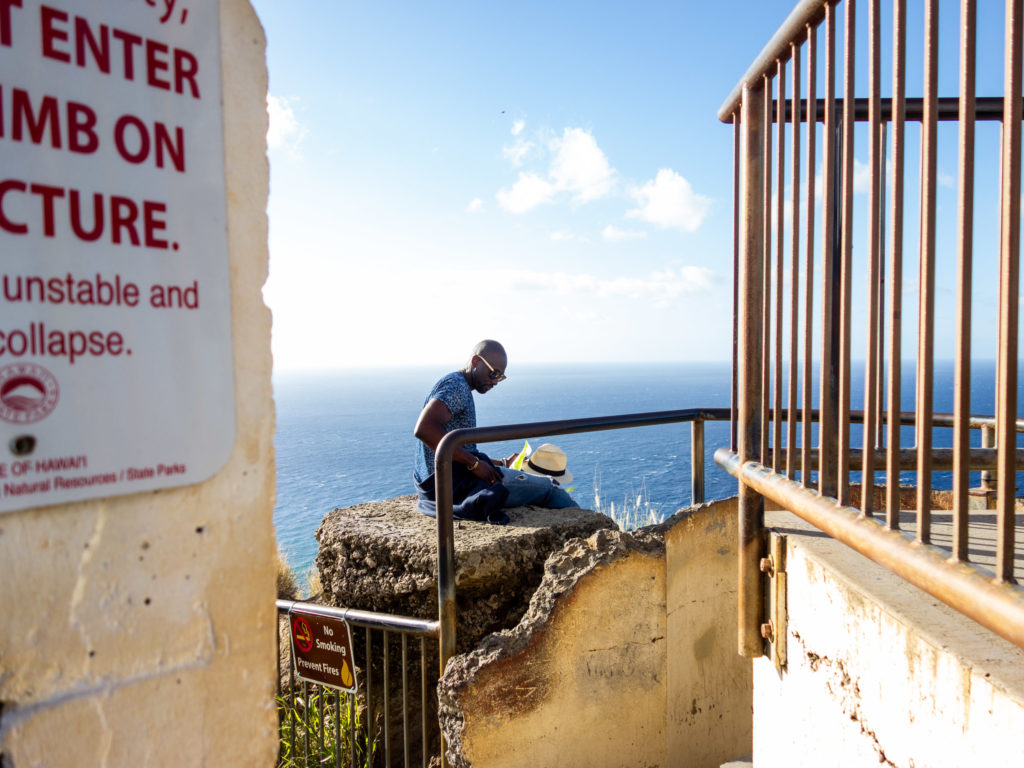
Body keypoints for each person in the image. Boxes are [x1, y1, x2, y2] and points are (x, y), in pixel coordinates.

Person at [413, 340, 577, 522]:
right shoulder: (456, 387)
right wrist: (475, 465)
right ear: (476, 361)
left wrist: (500, 462)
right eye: (493, 373)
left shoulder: (454, 383)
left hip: (442, 483)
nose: (495, 381)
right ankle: (592, 531)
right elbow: (424, 428)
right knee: (550, 486)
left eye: (500, 377)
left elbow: (456, 450)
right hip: (455, 486)